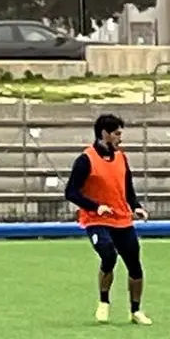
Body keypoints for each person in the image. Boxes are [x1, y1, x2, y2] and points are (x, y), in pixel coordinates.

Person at [63, 112, 151, 325]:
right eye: (117, 134)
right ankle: (104, 301)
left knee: (135, 265)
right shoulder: (86, 160)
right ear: (105, 133)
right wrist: (96, 207)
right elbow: (71, 192)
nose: (121, 138)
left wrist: (136, 207)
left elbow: (127, 188)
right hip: (96, 220)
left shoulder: (121, 157)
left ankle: (136, 310)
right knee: (108, 255)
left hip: (122, 219)